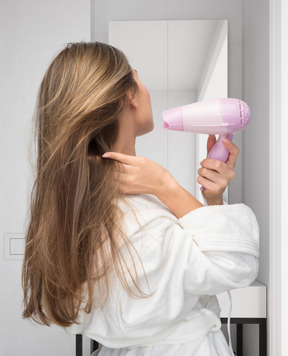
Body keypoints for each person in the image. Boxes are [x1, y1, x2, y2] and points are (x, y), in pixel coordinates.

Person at [22, 42, 259, 356]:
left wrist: (213, 201)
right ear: (127, 96)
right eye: (138, 78)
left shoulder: (85, 211)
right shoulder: (138, 218)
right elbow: (234, 265)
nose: (145, 88)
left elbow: (185, 272)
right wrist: (166, 185)